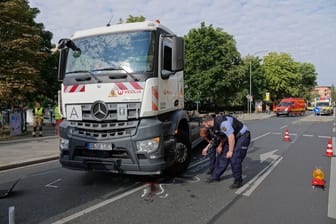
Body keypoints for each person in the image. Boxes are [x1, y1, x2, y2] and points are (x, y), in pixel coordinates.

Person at [202, 114, 251, 188]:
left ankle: (238, 181)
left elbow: (231, 137)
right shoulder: (213, 126)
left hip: (242, 136)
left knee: (235, 158)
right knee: (223, 156)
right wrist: (207, 148)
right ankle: (215, 176)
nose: (203, 125)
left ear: (208, 122)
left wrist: (230, 151)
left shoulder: (223, 123)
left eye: (204, 124)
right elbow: (217, 138)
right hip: (231, 137)